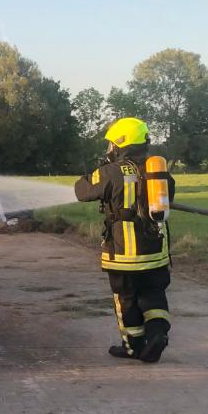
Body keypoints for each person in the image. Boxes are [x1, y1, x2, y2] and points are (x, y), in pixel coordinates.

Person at [74, 117, 175, 363]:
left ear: (121, 142)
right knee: (154, 294)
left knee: (126, 299)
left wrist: (95, 171)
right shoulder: (157, 171)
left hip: (124, 252)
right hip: (155, 249)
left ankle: (132, 347)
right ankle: (158, 333)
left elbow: (81, 191)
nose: (110, 150)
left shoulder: (111, 172)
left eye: (111, 145)